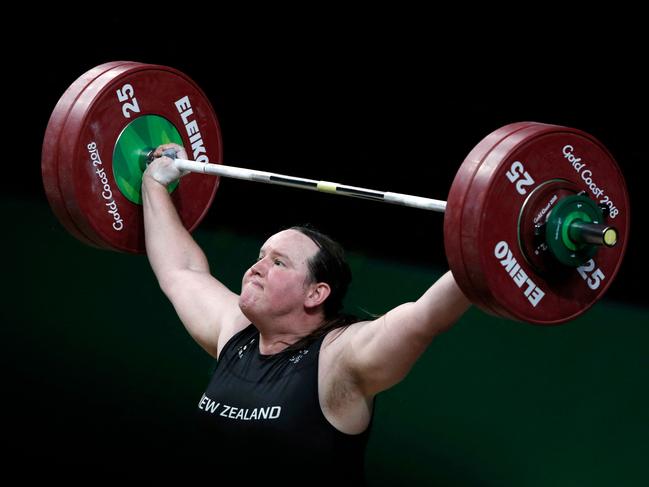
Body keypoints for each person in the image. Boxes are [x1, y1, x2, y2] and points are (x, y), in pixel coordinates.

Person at [142, 143, 471, 482]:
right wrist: (155, 183)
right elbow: (181, 271)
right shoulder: (235, 332)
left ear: (316, 293)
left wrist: (484, 248)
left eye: (278, 262)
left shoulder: (339, 358)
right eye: (261, 255)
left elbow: (425, 317)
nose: (257, 268)